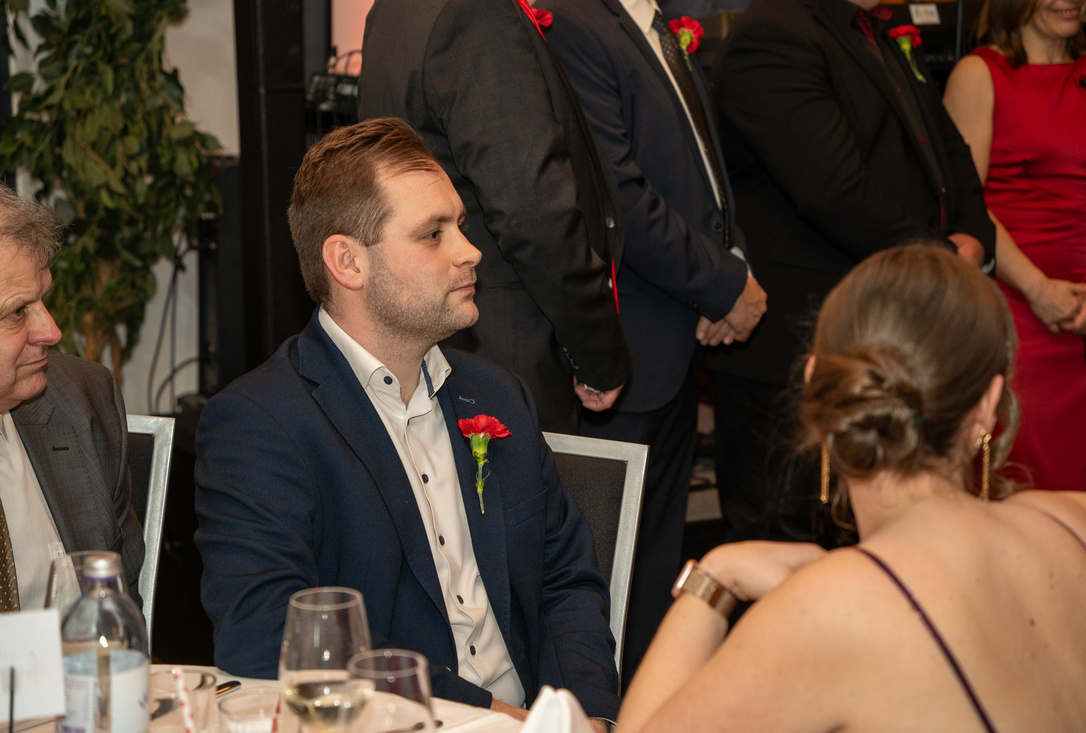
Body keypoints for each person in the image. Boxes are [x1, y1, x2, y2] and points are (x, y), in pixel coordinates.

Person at [193, 119, 619, 727]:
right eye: (433, 234)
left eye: (461, 225)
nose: (470, 251)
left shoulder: (497, 394)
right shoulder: (261, 424)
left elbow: (566, 580)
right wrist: (499, 717)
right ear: (348, 262)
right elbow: (268, 638)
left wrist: (586, 716)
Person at [617, 244, 1086, 732]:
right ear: (988, 404)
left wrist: (715, 578)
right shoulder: (1085, 521)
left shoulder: (834, 611)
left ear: (815, 386)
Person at [707, 0, 996, 546]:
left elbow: (946, 150)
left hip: (880, 332)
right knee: (790, 542)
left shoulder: (878, 28)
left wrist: (975, 235)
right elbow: (834, 190)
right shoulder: (774, 33)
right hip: (795, 346)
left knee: (874, 540)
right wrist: (940, 259)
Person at [540, 0, 765, 685]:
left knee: (652, 573)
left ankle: (645, 705)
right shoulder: (575, 21)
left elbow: (704, 176)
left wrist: (732, 267)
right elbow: (621, 197)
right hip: (625, 343)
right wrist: (721, 286)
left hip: (673, 339)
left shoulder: (656, 22)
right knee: (601, 583)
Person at [357, 0, 631, 434]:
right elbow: (535, 214)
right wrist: (597, 351)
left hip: (432, 325)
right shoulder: (476, 10)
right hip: (506, 343)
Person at [943, 0, 1086, 493]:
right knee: (1023, 474)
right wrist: (1037, 289)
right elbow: (964, 202)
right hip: (1013, 311)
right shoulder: (979, 74)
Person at [0, 182, 143, 611]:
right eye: (17, 312)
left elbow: (122, 614)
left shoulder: (83, 400)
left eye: (42, 300)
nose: (52, 331)